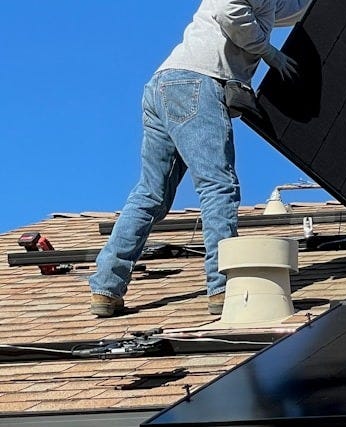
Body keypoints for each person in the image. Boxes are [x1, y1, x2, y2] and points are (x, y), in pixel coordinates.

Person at [89, 0, 312, 317]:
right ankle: (223, 287)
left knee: (151, 194)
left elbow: (294, 9)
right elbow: (229, 10)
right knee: (218, 186)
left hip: (166, 85)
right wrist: (268, 52)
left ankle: (106, 288)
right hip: (198, 82)